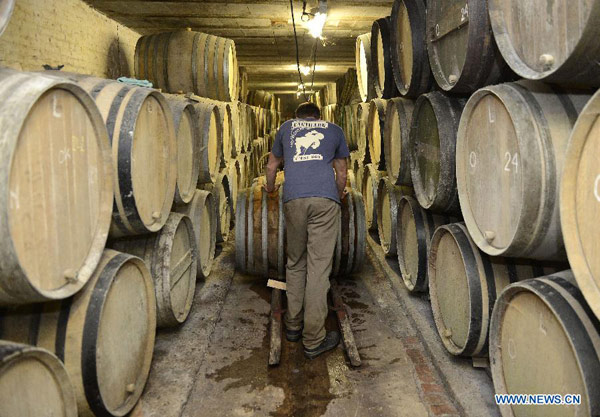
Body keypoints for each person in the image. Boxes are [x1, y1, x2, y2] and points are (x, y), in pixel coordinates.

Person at [264, 101, 350, 359]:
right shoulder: (334, 129)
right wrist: (335, 196)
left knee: (295, 262)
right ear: (318, 117)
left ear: (297, 116)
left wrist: (270, 190)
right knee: (319, 268)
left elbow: (271, 167)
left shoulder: (286, 128)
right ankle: (313, 339)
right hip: (324, 201)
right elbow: (342, 172)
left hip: (293, 200)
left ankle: (292, 326)